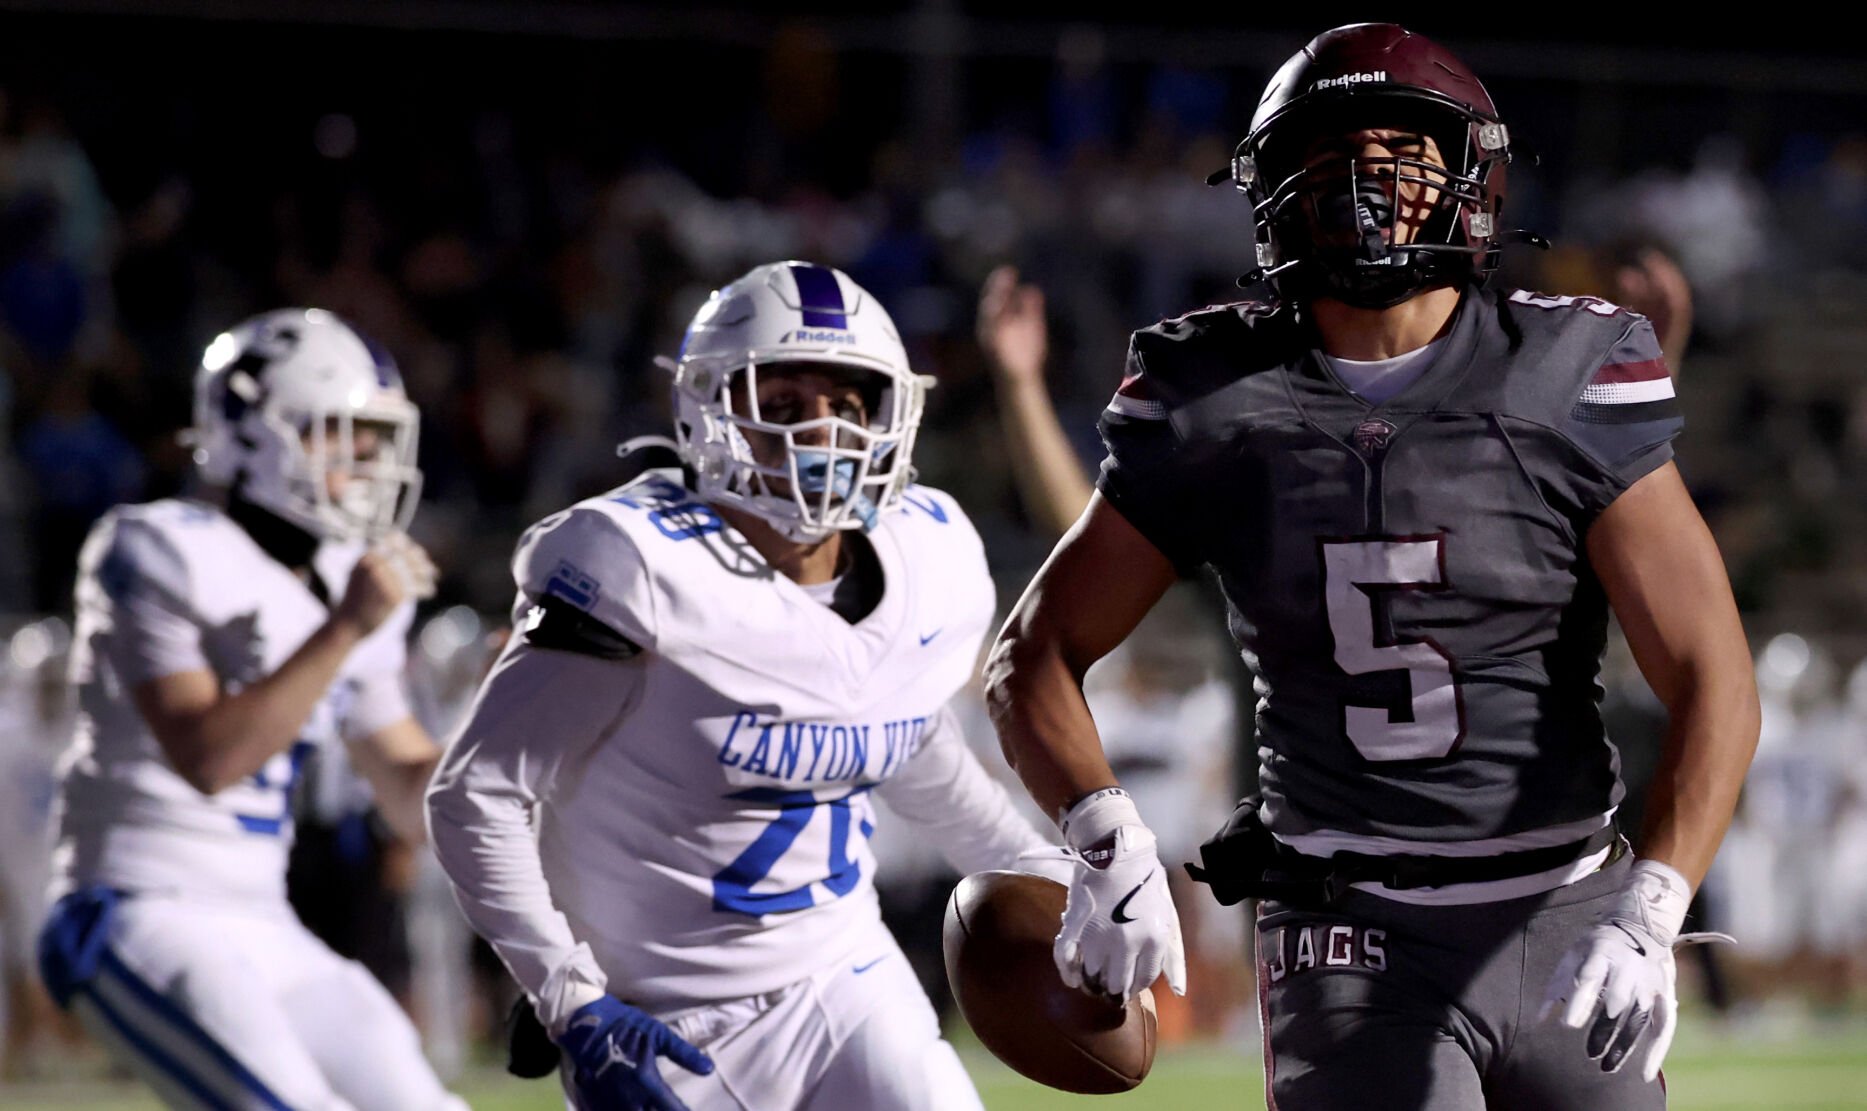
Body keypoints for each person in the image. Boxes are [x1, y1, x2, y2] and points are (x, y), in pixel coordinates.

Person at [984, 22, 1760, 1111]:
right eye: (1334, 152)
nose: (1369, 181)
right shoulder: (1212, 394)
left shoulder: (1567, 371)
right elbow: (1034, 650)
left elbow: (1713, 671)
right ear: (1273, 190)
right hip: (1347, 929)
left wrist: (1654, 903)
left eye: (1406, 153)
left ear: (1470, 177)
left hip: (1563, 904)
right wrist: (1105, 838)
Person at [425, 261, 1063, 1111]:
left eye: (847, 404)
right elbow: (475, 795)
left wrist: (1052, 876)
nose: (823, 433)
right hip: (663, 1016)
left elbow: (904, 743)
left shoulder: (928, 554)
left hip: (846, 981)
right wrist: (567, 996)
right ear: (711, 412)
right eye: (786, 404)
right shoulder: (637, 565)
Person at [35, 308, 465, 1110]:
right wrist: (343, 629)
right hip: (134, 904)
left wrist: (523, 735)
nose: (368, 459)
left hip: (265, 918)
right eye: (342, 434)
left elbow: (409, 790)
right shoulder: (157, 545)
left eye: (376, 436)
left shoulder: (348, 575)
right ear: (255, 435)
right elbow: (209, 758)